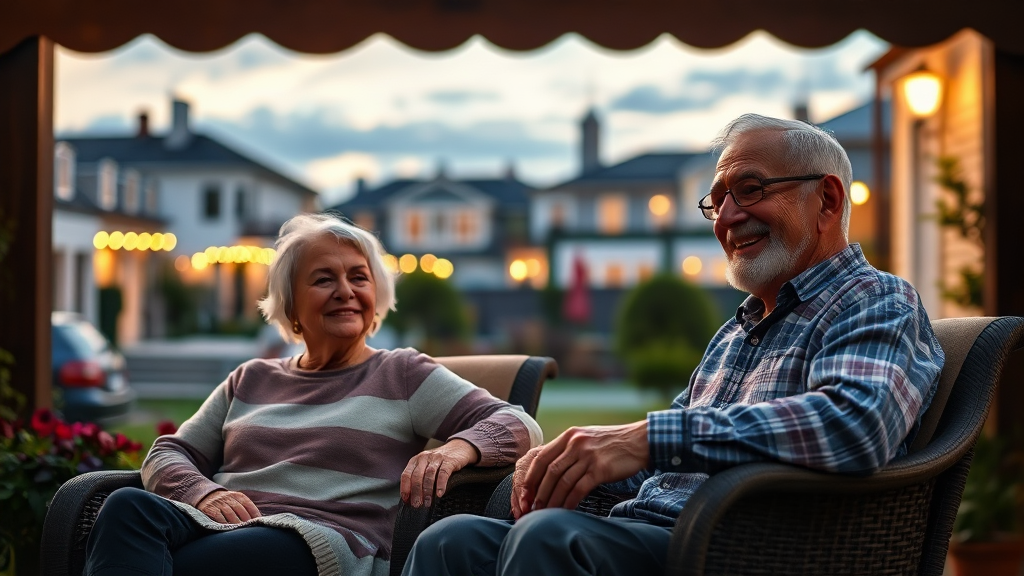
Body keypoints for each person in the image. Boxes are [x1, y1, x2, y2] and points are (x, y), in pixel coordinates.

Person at [401, 113, 945, 576]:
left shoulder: (875, 300)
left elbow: (855, 425)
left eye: (750, 190)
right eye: (717, 201)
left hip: (750, 549)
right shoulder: (737, 330)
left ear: (826, 199)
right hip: (653, 531)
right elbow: (662, 459)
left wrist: (648, 437)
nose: (727, 217)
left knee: (549, 540)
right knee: (450, 541)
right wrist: (571, 459)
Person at [84, 213, 543, 576]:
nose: (345, 291)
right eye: (324, 279)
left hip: (318, 543)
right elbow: (169, 452)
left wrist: (457, 448)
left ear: (376, 296)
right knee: (127, 507)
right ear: (291, 305)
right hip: (221, 527)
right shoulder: (250, 378)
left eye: (359, 277)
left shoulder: (402, 373)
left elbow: (519, 423)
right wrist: (202, 494)